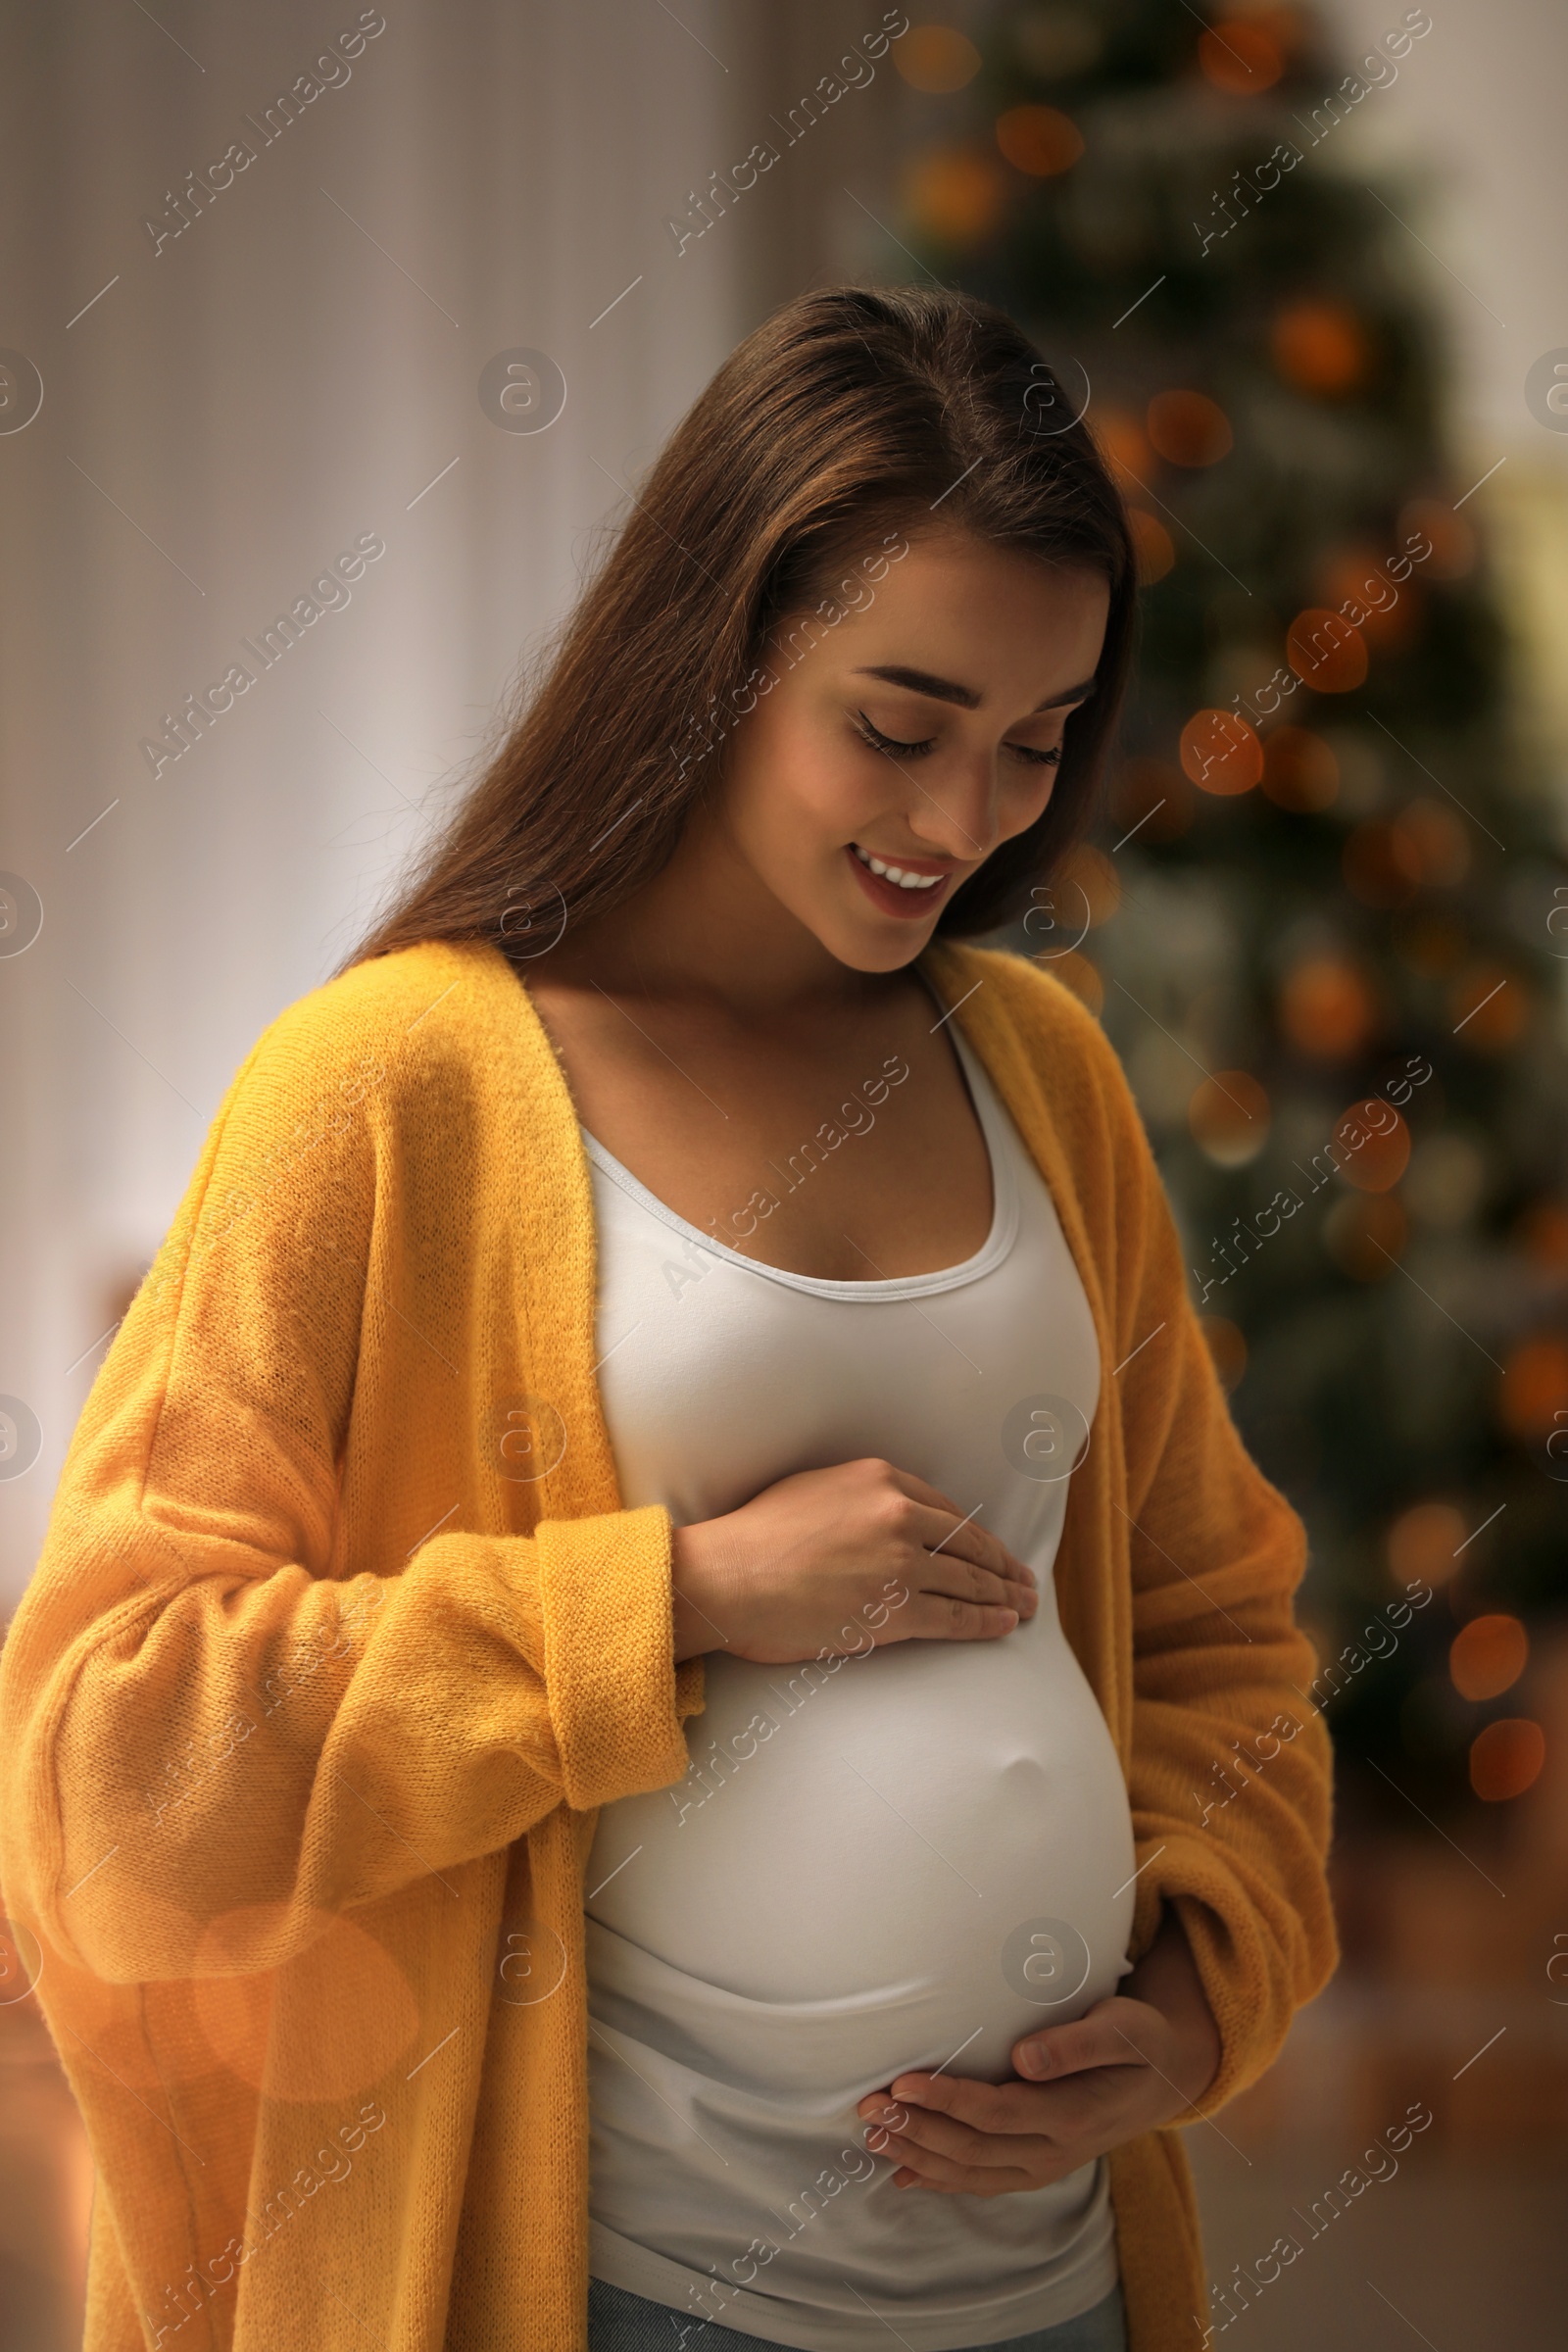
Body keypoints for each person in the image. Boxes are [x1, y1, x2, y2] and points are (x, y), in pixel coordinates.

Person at [0, 286, 1335, 2352]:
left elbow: (1220, 1625)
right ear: (713, 652)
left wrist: (1189, 2002)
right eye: (893, 728)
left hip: (1049, 2291)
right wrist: (675, 1602)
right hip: (621, 2296)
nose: (961, 822)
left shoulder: (1040, 1073)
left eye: (1032, 744)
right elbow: (113, 1763)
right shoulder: (389, 1091)